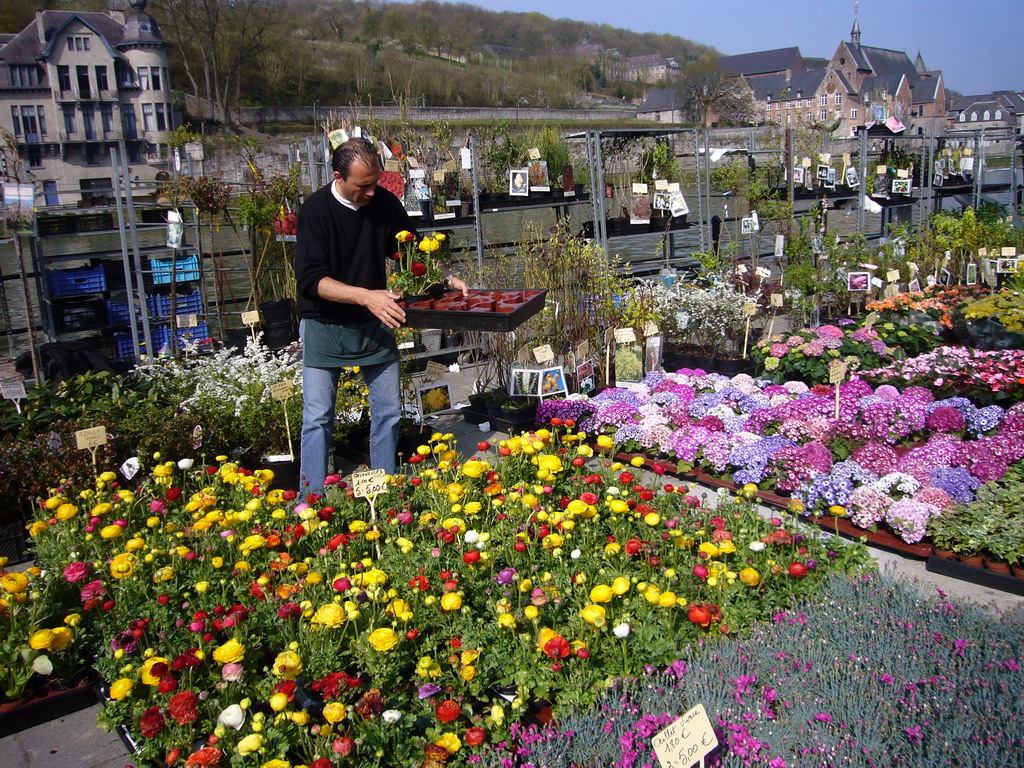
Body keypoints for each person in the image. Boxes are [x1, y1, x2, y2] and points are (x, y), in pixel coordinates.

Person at [295, 138, 468, 492]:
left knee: (389, 412)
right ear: (338, 176)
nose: (372, 191)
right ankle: (310, 498)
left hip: (375, 320)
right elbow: (311, 281)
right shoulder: (316, 211)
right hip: (324, 323)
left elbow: (411, 250)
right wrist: (367, 297)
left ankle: (383, 488)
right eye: (363, 185)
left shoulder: (384, 203)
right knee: (317, 418)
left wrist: (446, 276)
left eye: (375, 182)